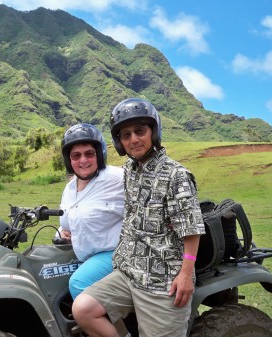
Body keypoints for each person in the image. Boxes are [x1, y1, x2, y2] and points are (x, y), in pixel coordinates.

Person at [72, 98, 206, 337]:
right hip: (128, 273)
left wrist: (186, 274)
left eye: (140, 131)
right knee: (83, 309)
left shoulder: (176, 175)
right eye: (126, 135)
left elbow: (191, 228)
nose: (133, 139)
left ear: (153, 132)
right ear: (119, 142)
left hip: (162, 281)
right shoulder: (129, 171)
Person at [59, 123, 124, 300]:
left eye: (89, 153)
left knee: (79, 283)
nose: (83, 160)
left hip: (114, 253)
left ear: (100, 154)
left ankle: (110, 327)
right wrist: (63, 232)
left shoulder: (117, 179)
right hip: (86, 256)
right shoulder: (70, 187)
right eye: (76, 155)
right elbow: (67, 221)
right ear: (69, 159)